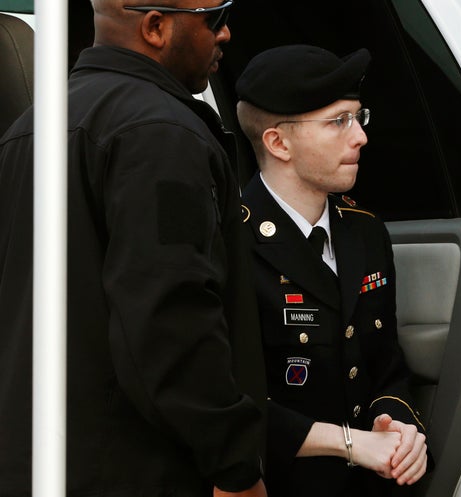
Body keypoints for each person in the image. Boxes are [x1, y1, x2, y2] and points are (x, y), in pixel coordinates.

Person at [0, 1, 268, 496]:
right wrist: (235, 467)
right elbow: (172, 323)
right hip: (133, 469)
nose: (227, 33)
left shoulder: (26, 130)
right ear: (155, 27)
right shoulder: (162, 134)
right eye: (216, 17)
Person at [234, 44, 431, 497]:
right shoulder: (230, 242)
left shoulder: (364, 232)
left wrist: (397, 427)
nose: (359, 136)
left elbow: (386, 364)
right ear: (278, 143)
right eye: (338, 121)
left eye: (359, 117)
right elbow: (227, 401)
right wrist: (350, 444)